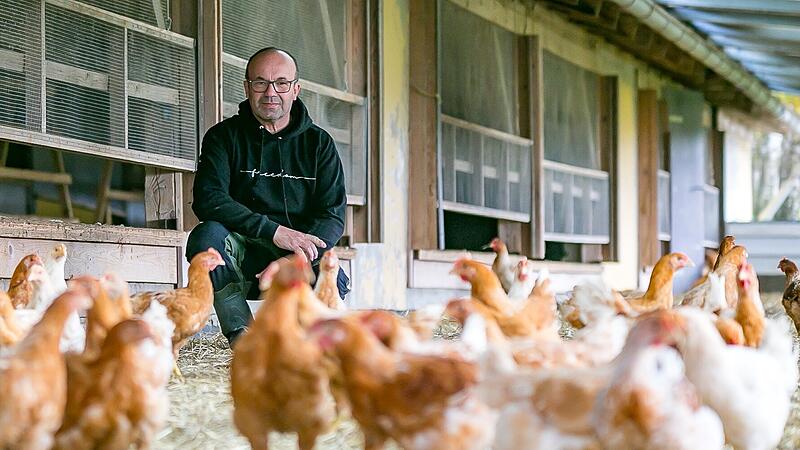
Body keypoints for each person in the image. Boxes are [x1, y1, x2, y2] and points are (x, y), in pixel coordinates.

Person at [187, 47, 350, 346]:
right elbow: (208, 199)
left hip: (297, 252)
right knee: (204, 238)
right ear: (247, 87)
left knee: (331, 269)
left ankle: (312, 343)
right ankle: (243, 339)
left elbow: (333, 215)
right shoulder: (223, 137)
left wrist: (294, 257)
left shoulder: (319, 144)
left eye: (281, 83)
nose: (271, 92)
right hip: (241, 252)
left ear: (296, 89)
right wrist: (273, 231)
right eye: (260, 82)